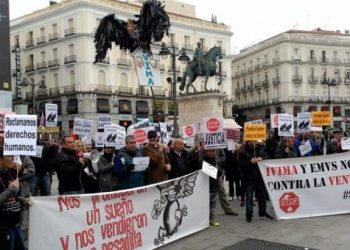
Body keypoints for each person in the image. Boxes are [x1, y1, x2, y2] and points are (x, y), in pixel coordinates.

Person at [0, 149, 26, 250]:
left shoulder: (9, 172)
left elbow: (12, 196)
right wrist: (11, 189)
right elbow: (7, 193)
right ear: (0, 159)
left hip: (15, 224)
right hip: (4, 227)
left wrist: (23, 200)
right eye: (9, 156)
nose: (12, 159)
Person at [241, 141, 273, 223]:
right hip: (249, 179)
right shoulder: (244, 151)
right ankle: (249, 214)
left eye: (254, 140)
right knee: (249, 198)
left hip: (259, 178)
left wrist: (262, 158)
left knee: (262, 197)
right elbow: (240, 164)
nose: (253, 142)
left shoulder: (260, 149)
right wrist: (249, 162)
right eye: (251, 140)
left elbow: (268, 157)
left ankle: (262, 213)